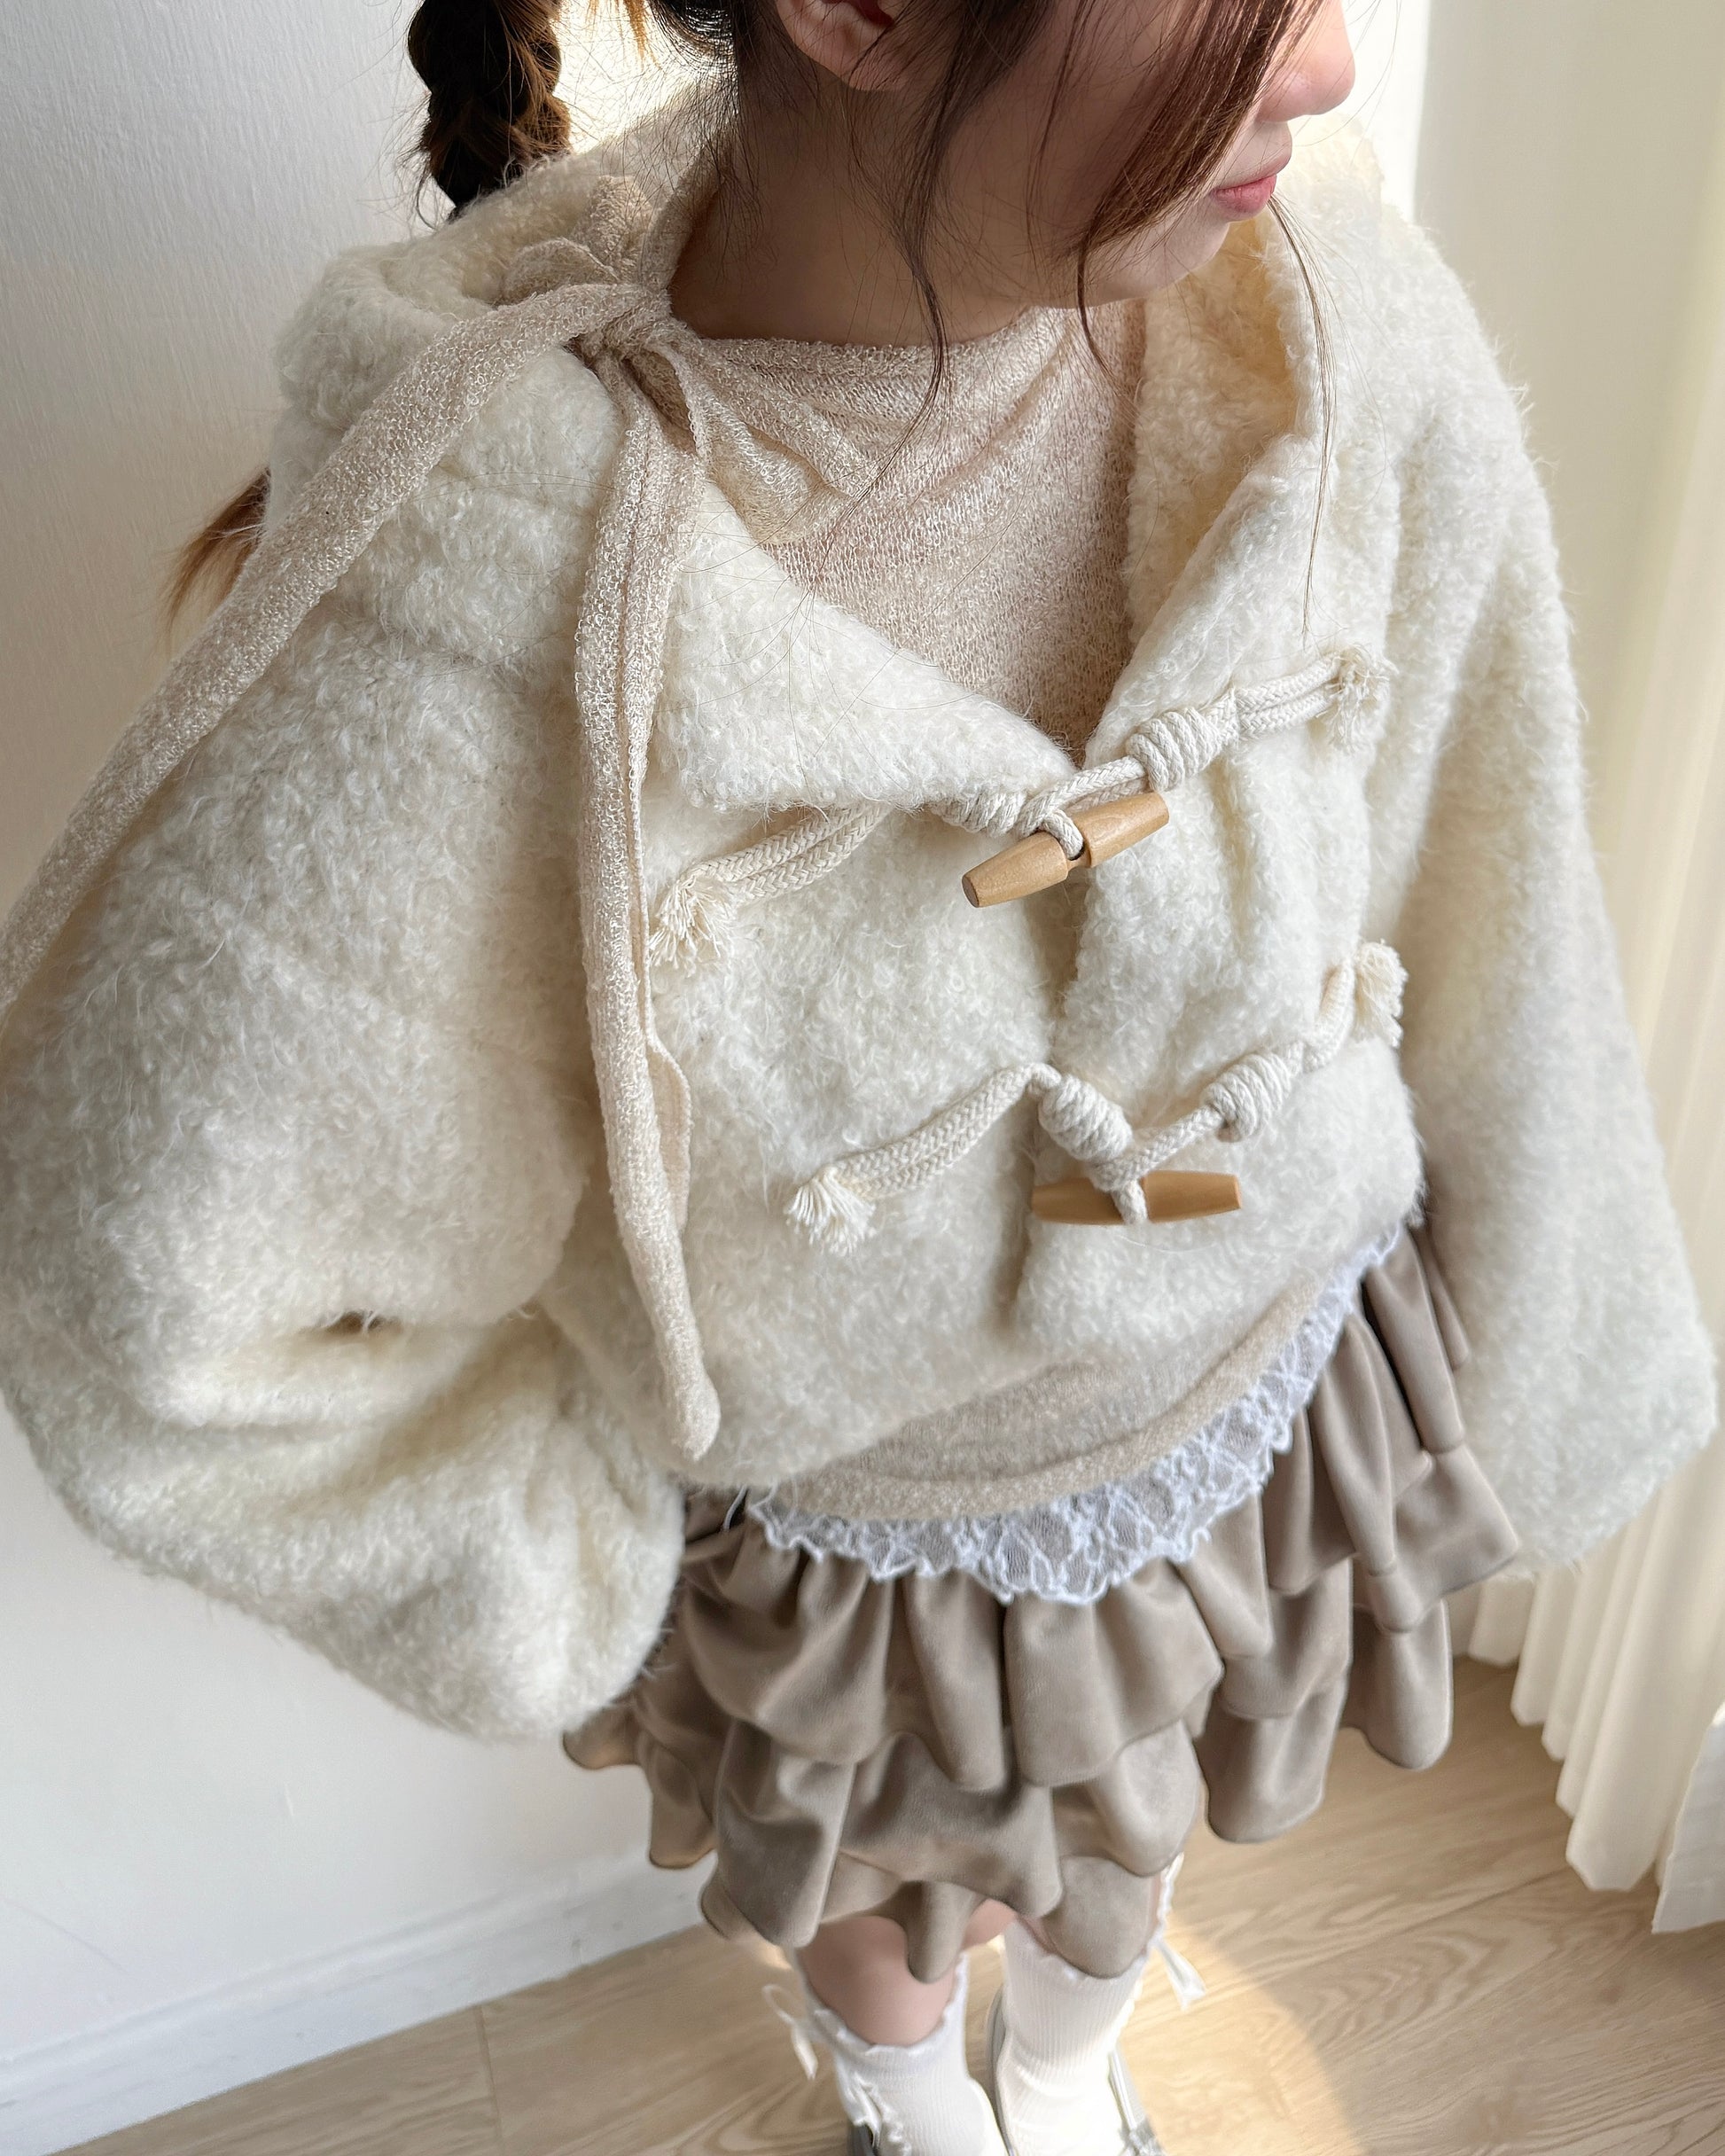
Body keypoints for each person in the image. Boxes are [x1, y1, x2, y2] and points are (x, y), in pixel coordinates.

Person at [0, 1, 1713, 2151]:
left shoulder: (1326, 318)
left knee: (1133, 1836)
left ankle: (1068, 2073)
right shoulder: (488, 619)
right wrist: (561, 1552)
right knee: (893, 1911)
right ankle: (906, 2095)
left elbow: (1492, 858)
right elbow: (150, 1304)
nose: (1329, 63)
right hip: (869, 1557)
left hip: (1268, 1401)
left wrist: (1544, 1321)